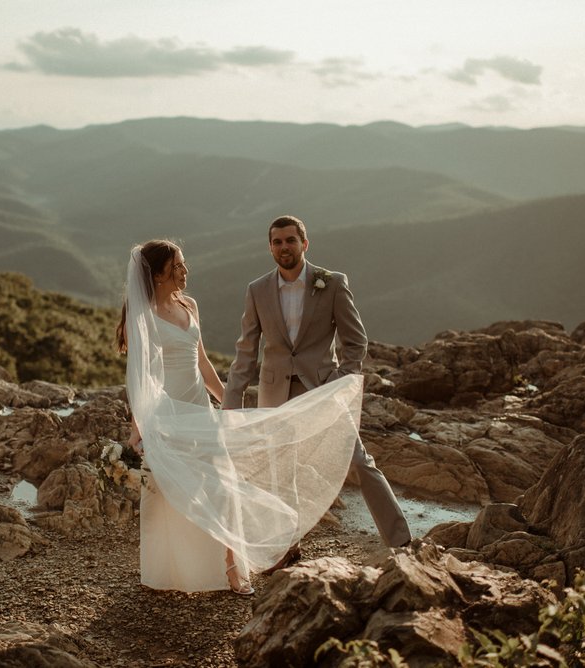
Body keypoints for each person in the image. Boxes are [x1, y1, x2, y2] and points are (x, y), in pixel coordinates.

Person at [118, 239, 365, 595]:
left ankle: (232, 568)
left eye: (184, 263)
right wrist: (138, 428)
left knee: (224, 485)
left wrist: (229, 403)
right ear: (157, 275)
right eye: (177, 267)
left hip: (200, 407)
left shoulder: (190, 305)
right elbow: (140, 379)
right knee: (169, 494)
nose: (185, 272)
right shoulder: (142, 318)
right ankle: (169, 571)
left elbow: (201, 363)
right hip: (168, 414)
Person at [221, 215, 412, 565]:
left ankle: (401, 541)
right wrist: (231, 403)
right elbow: (246, 351)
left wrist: (339, 380)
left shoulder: (332, 283)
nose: (284, 248)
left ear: (304, 244)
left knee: (358, 461)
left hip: (322, 390)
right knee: (280, 472)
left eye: (290, 240)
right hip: (275, 394)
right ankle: (286, 546)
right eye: (277, 242)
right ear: (270, 247)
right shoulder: (257, 290)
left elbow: (356, 342)